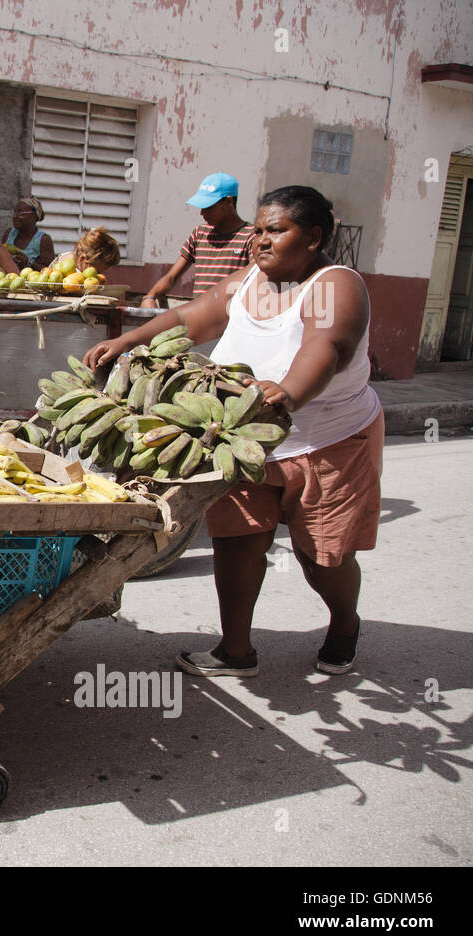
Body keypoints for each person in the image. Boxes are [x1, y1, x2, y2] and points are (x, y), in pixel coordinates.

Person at [85, 185, 383, 679]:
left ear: (311, 237)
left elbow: (327, 347)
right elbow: (189, 318)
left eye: (276, 231)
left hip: (327, 442)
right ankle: (236, 651)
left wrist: (288, 391)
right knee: (237, 543)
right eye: (259, 230)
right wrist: (129, 339)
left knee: (321, 558)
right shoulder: (249, 280)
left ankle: (345, 624)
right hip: (237, 439)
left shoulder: (333, 285)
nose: (260, 241)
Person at [141, 172, 254, 308]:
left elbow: (254, 280)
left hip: (230, 318)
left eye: (209, 207)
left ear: (229, 201)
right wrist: (150, 297)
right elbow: (171, 277)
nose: (202, 213)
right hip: (198, 317)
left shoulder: (252, 236)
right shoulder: (199, 234)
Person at [4, 196, 54, 270]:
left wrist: (29, 263)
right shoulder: (9, 234)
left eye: (20, 213)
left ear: (34, 215)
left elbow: (50, 271)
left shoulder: (43, 240)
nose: (15, 216)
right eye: (15, 212)